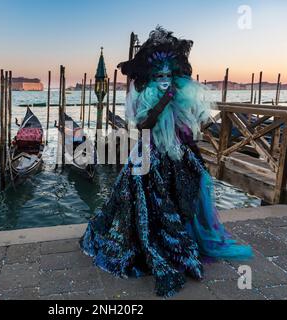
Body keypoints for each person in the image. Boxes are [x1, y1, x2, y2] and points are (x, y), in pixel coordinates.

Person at [80, 27, 253, 297]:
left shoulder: (181, 93)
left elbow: (193, 123)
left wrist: (189, 119)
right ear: (151, 77)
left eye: (168, 75)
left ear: (175, 74)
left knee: (188, 193)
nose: (164, 79)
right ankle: (151, 245)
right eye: (159, 75)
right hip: (150, 154)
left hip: (180, 154)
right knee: (148, 202)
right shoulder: (144, 96)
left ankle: (186, 240)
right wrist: (163, 102)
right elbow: (144, 126)